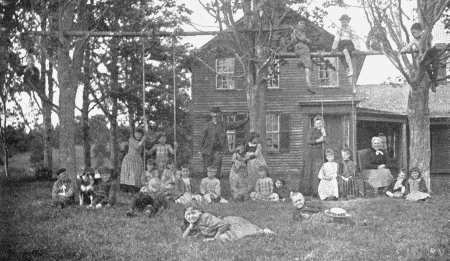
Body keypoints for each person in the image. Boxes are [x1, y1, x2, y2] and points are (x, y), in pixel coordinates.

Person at [181, 201, 274, 241]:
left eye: (193, 213)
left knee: (240, 234)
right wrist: (189, 228)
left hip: (229, 225)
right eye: (188, 214)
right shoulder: (192, 223)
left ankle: (264, 231)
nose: (190, 216)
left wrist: (215, 237)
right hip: (218, 229)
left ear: (200, 212)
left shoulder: (206, 217)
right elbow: (183, 238)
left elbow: (224, 224)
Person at [199, 107, 248, 177]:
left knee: (217, 168)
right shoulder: (207, 125)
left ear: (219, 114)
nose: (215, 115)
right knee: (206, 169)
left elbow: (233, 124)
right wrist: (200, 151)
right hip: (207, 150)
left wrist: (244, 120)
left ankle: (216, 183)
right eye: (214, 113)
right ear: (211, 114)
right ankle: (206, 184)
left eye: (217, 113)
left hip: (218, 150)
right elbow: (202, 138)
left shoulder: (222, 124)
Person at [399, 22, 441, 91]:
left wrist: (422, 34)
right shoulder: (415, 40)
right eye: (412, 33)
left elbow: (429, 39)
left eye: (414, 32)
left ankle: (434, 82)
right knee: (426, 66)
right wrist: (401, 51)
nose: (413, 34)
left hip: (432, 51)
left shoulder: (426, 35)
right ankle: (432, 81)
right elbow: (408, 46)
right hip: (425, 54)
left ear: (420, 30)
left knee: (435, 67)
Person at [299, 115, 327, 198]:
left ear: (322, 123)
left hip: (320, 153)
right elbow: (308, 141)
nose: (319, 125)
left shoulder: (324, 131)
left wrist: (324, 133)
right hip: (311, 153)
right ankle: (309, 191)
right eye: (317, 123)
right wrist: (318, 140)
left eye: (320, 123)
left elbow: (328, 140)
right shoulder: (311, 130)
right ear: (314, 124)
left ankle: (318, 191)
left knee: (318, 171)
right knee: (310, 171)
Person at [331, 14, 360, 85]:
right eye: (342, 22)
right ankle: (352, 85)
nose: (343, 24)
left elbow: (355, 38)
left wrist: (357, 47)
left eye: (345, 22)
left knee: (345, 51)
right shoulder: (339, 30)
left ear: (348, 22)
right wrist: (333, 48)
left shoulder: (351, 29)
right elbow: (336, 39)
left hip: (348, 44)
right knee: (344, 64)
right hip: (341, 45)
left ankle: (351, 69)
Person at [120, 126, 147, 195]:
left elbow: (143, 149)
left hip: (137, 160)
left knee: (136, 175)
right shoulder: (131, 139)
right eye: (137, 134)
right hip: (129, 159)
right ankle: (127, 190)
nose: (138, 136)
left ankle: (135, 190)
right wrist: (143, 139)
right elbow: (137, 146)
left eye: (140, 135)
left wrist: (144, 139)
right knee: (128, 174)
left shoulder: (142, 141)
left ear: (142, 135)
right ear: (134, 134)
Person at [291, 19, 313, 88]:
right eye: (300, 24)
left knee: (308, 63)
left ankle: (308, 81)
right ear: (298, 25)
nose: (302, 25)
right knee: (308, 64)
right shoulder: (297, 31)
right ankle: (308, 82)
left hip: (300, 47)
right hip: (301, 47)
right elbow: (304, 39)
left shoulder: (298, 32)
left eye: (303, 24)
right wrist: (308, 41)